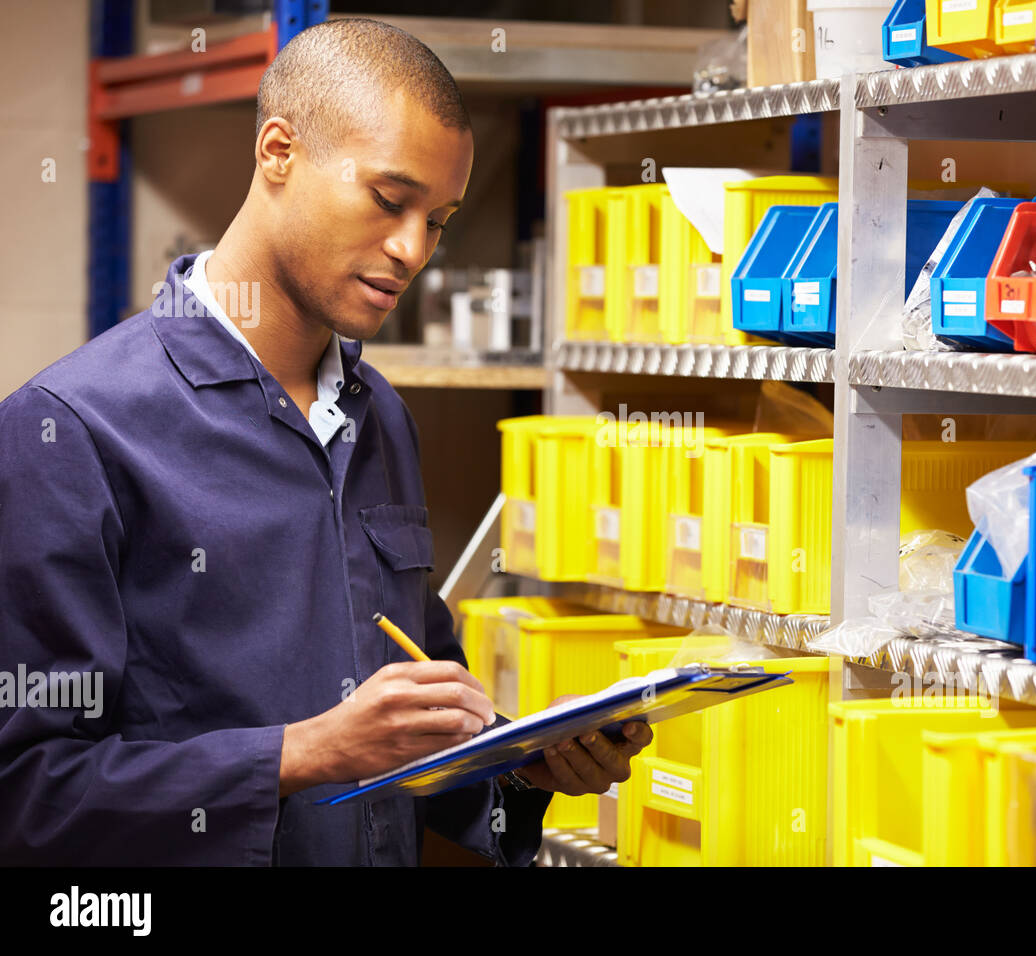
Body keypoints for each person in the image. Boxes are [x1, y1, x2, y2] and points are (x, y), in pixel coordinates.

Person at [0, 17, 650, 866]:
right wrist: (302, 754)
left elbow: (417, 737)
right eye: (389, 199)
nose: (412, 249)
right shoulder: (71, 432)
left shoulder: (382, 417)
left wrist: (526, 768)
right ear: (278, 152)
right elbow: (28, 793)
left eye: (441, 220)